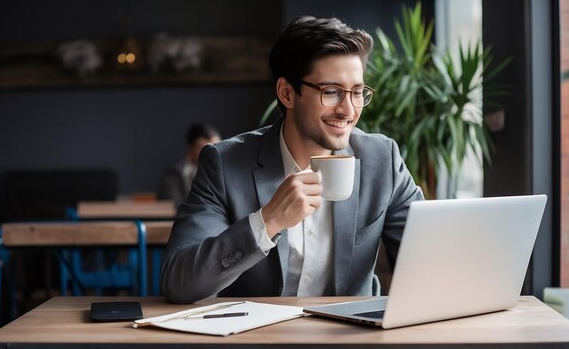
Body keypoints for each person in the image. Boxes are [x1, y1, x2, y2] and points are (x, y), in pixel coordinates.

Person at [161, 16, 424, 303]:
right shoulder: (224, 164)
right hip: (260, 339)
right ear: (287, 93)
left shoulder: (382, 160)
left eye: (358, 92)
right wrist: (267, 221)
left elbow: (429, 265)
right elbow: (179, 281)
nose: (348, 110)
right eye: (332, 92)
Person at [157, 123, 220, 207]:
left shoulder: (224, 173)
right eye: (204, 149)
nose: (211, 154)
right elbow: (174, 208)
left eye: (217, 148)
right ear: (190, 148)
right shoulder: (173, 176)